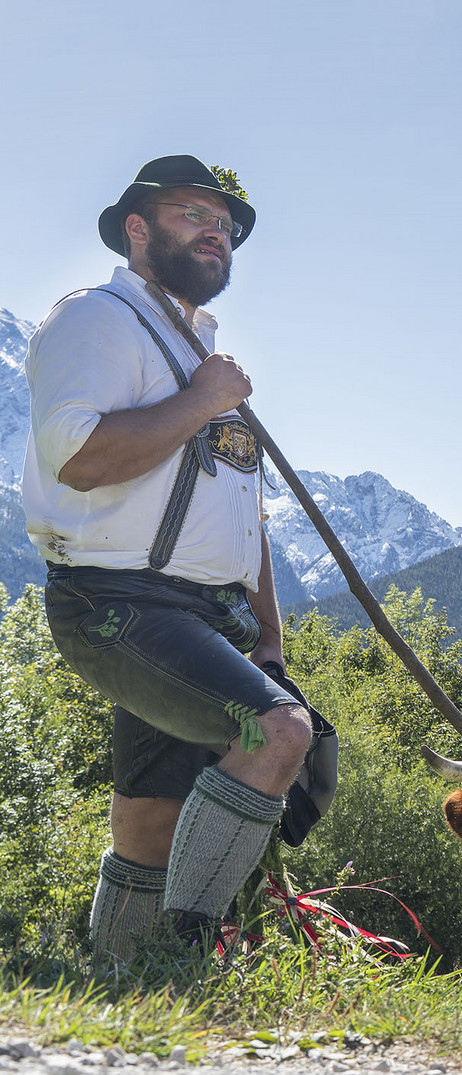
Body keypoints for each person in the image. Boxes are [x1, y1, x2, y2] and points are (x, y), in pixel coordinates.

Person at [21, 155, 313, 961]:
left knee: (150, 816)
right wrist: (205, 400)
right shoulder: (99, 318)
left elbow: (242, 517)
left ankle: (117, 972)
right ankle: (189, 956)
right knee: (276, 733)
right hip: (114, 601)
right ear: (138, 229)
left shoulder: (205, 352)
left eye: (225, 225)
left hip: (202, 615)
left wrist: (268, 638)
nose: (215, 232)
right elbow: (79, 457)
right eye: (193, 214)